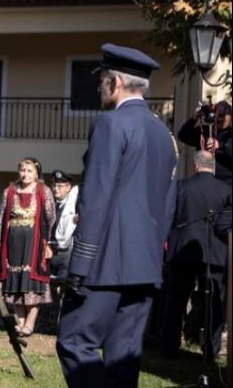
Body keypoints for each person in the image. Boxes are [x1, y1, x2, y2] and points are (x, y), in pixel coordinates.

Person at [56, 43, 176, 388]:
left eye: (101, 81)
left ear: (115, 84)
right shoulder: (162, 134)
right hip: (146, 264)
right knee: (124, 355)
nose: (98, 88)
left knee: (75, 342)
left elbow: (96, 197)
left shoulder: (109, 124)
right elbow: (168, 202)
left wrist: (80, 264)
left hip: (105, 265)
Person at [160, 150, 230, 360]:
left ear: (195, 166)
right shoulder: (226, 190)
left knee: (175, 301)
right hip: (214, 252)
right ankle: (211, 349)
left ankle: (169, 347)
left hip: (182, 251)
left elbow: (168, 215)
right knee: (214, 304)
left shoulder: (180, 186)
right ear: (213, 167)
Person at [0, 157, 55, 337]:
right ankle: (20, 322)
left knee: (32, 283)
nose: (25, 174)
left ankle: (30, 323)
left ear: (37, 173)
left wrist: (48, 243)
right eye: (22, 169)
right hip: (12, 244)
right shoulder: (10, 191)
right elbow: (1, 218)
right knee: (15, 281)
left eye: (29, 170)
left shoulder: (43, 191)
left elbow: (50, 218)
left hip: (34, 244)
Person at [177, 100, 232, 184]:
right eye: (217, 114)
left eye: (222, 115)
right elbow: (183, 135)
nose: (219, 118)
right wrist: (194, 118)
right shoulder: (205, 131)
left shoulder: (229, 134)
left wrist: (219, 146)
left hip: (226, 182)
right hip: (204, 181)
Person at [48, 170, 78, 283]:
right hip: (49, 255)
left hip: (67, 255)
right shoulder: (49, 205)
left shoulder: (75, 206)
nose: (56, 188)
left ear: (68, 187)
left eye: (60, 186)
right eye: (54, 185)